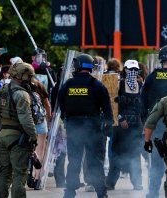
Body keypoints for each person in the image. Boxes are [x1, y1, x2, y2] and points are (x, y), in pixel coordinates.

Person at [58, 53, 113, 198]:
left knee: (74, 161)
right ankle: (101, 193)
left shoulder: (67, 85)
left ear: (77, 66)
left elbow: (61, 106)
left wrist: (68, 121)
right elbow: (107, 109)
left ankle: (69, 192)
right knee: (95, 162)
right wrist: (109, 127)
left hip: (74, 128)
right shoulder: (97, 85)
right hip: (93, 129)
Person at [140, 45, 167, 198]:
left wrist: (146, 122)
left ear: (162, 58)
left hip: (157, 127)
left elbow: (142, 101)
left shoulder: (152, 76)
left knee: (156, 163)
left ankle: (153, 193)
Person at [0, 62, 38, 198]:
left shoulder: (2, 91)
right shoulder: (22, 95)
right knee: (20, 174)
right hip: (17, 139)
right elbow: (26, 120)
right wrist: (34, 136)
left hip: (2, 136)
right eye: (29, 76)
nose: (31, 80)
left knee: (4, 172)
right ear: (21, 76)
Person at [106, 60, 143, 190]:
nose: (132, 72)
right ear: (125, 70)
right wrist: (120, 118)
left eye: (135, 69)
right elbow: (113, 104)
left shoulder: (140, 84)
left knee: (135, 153)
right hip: (121, 126)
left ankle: (137, 182)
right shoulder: (119, 84)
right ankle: (110, 183)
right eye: (130, 69)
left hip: (136, 125)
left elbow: (142, 105)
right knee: (117, 153)